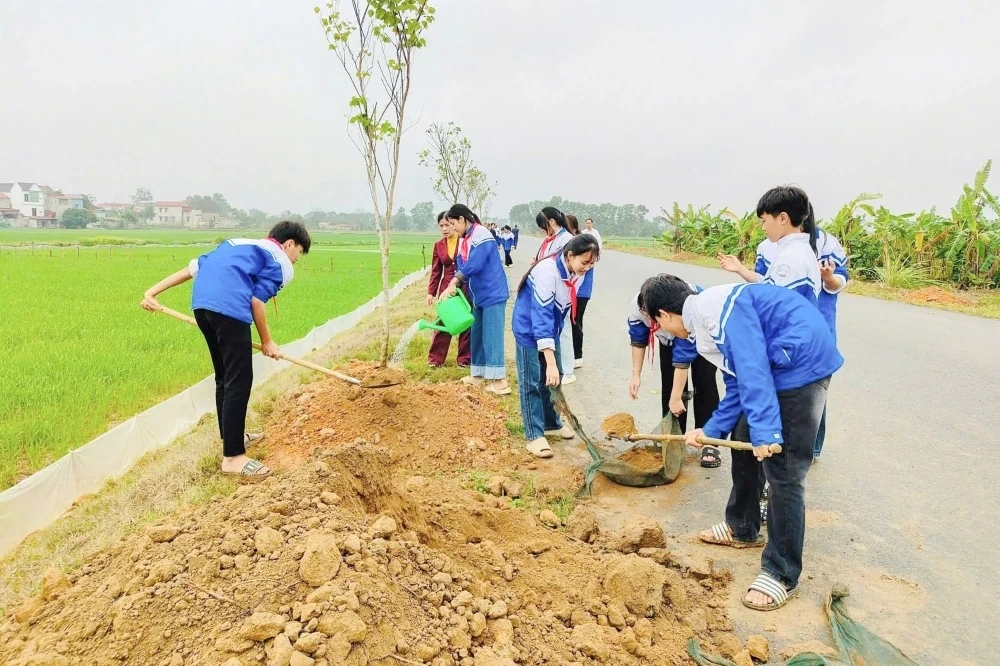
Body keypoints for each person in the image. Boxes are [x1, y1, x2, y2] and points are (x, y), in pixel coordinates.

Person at [640, 275, 843, 612]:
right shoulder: (703, 321)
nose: (662, 330)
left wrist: (768, 433)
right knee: (743, 434)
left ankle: (782, 572)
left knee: (784, 470)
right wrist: (711, 430)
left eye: (657, 323)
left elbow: (753, 368)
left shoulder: (714, 312)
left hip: (801, 365)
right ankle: (743, 526)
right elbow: (738, 383)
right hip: (777, 363)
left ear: (663, 314)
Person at [140, 221, 312, 479]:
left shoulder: (236, 243)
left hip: (202, 307)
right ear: (289, 244)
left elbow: (192, 269)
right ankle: (233, 458)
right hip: (230, 309)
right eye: (299, 252)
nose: (297, 258)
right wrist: (267, 341)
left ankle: (232, 437)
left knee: (224, 376)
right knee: (239, 380)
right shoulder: (280, 261)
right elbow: (257, 300)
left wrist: (151, 292)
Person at [512, 234, 600, 458]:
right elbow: (540, 317)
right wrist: (549, 361)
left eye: (592, 264)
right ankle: (534, 434)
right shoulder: (547, 272)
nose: (587, 268)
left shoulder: (575, 272)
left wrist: (552, 362)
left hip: (551, 328)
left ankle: (551, 423)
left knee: (554, 377)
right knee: (532, 380)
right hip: (529, 327)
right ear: (570, 256)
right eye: (585, 262)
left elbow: (559, 310)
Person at [627, 277, 721, 467]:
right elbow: (638, 339)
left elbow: (682, 359)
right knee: (670, 386)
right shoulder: (639, 308)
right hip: (669, 335)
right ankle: (674, 437)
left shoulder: (689, 313)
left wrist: (677, 397)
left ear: (664, 315)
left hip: (699, 334)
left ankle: (708, 440)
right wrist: (636, 375)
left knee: (705, 382)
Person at [439, 204, 510, 395]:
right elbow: (461, 265)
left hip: (492, 293)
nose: (452, 228)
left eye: (453, 223)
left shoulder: (482, 235)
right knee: (477, 334)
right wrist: (453, 287)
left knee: (492, 335)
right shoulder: (465, 238)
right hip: (477, 295)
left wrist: (454, 282)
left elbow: (475, 264)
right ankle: (477, 373)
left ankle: (500, 381)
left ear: (462, 219)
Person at [427, 211, 471, 368]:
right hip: (446, 288)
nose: (444, 229)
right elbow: (436, 271)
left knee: (466, 321)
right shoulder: (438, 245)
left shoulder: (464, 241)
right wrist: (431, 292)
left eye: (447, 225)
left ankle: (464, 359)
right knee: (444, 320)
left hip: (465, 286)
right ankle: (435, 359)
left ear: (454, 224)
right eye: (441, 226)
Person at [573, 217, 600, 369]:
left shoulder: (587, 246)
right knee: (574, 322)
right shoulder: (578, 241)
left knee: (576, 322)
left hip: (581, 291)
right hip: (575, 291)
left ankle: (577, 356)